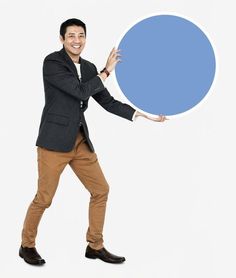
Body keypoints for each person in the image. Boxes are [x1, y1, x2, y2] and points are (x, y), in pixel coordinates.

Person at [19, 18, 167, 266]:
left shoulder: (89, 68)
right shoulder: (52, 62)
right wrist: (107, 71)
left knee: (101, 190)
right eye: (71, 36)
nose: (77, 40)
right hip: (53, 142)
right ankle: (27, 245)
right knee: (44, 198)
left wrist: (139, 113)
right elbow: (78, 92)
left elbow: (107, 102)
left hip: (79, 141)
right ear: (62, 39)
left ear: (85, 38)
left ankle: (95, 246)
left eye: (81, 35)